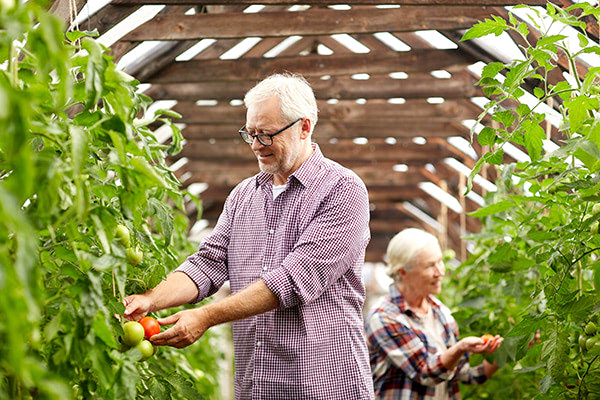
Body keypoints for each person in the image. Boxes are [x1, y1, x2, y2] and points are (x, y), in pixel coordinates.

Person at [123, 73, 375, 399]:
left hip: (321, 384)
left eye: (267, 135)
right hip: (256, 385)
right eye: (251, 133)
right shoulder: (244, 195)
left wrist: (205, 317)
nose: (256, 145)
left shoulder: (342, 190)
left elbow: (292, 281)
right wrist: (150, 299)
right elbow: (207, 264)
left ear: (304, 127)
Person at [365, 228, 502, 399]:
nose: (441, 272)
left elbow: (466, 374)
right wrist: (460, 348)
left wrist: (507, 350)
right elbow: (425, 372)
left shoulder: (441, 312)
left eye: (440, 262)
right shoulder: (383, 317)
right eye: (430, 265)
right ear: (402, 272)